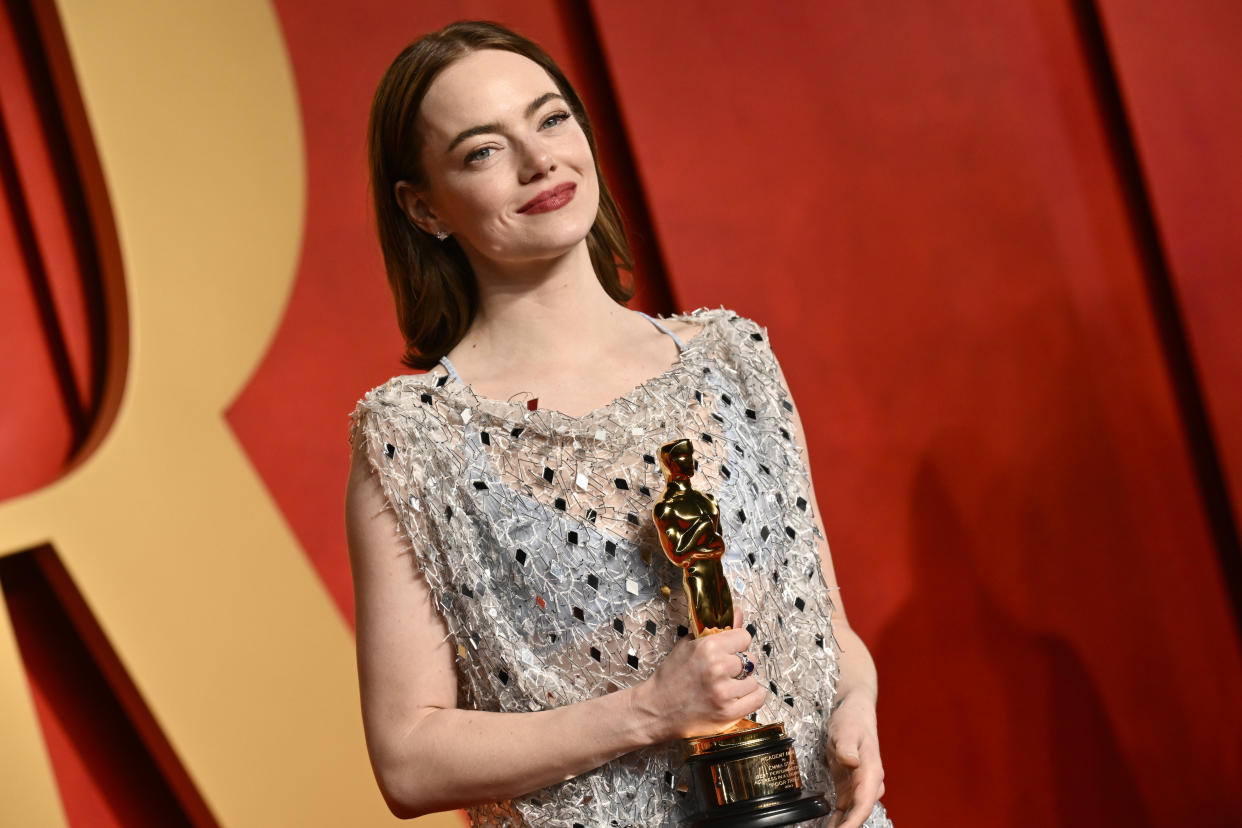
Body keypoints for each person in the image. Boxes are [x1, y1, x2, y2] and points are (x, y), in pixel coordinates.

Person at [346, 20, 891, 827]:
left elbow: (824, 625)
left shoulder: (735, 359)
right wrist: (649, 710)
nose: (540, 161)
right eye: (482, 151)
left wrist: (858, 705)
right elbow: (408, 759)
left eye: (551, 118)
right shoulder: (414, 438)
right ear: (424, 208)